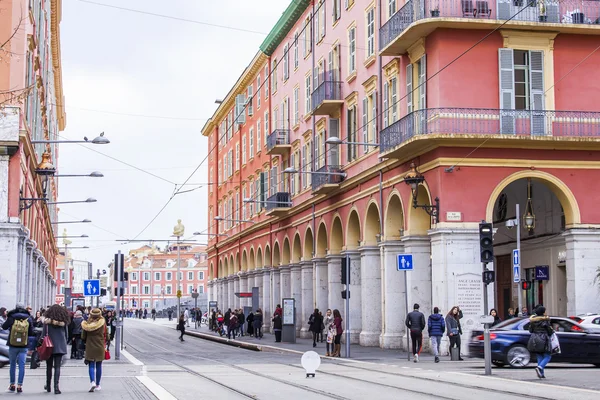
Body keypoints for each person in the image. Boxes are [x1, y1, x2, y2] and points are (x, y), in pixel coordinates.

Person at [2, 302, 35, 393]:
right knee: (22, 365)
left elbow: (4, 327)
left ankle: (12, 385)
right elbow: (31, 332)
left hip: (13, 344)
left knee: (12, 364)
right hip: (24, 345)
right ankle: (20, 386)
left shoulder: (12, 316)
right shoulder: (28, 318)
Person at [43, 304, 70, 394]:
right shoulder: (63, 322)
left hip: (48, 346)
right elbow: (66, 335)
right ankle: (56, 387)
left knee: (49, 366)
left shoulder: (47, 322)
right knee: (57, 367)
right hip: (60, 346)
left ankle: (48, 386)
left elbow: (43, 335)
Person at [82, 308, 107, 392]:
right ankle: (98, 384)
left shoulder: (87, 323)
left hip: (90, 345)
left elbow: (83, 336)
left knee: (91, 364)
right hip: (100, 345)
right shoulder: (103, 322)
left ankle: (92, 381)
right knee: (99, 365)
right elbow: (107, 334)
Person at [528, 306, 554, 378]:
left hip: (534, 338)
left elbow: (530, 330)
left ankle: (541, 373)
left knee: (539, 355)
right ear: (543, 312)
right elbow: (550, 331)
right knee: (547, 356)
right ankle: (540, 367)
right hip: (544, 338)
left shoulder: (533, 320)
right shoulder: (545, 320)